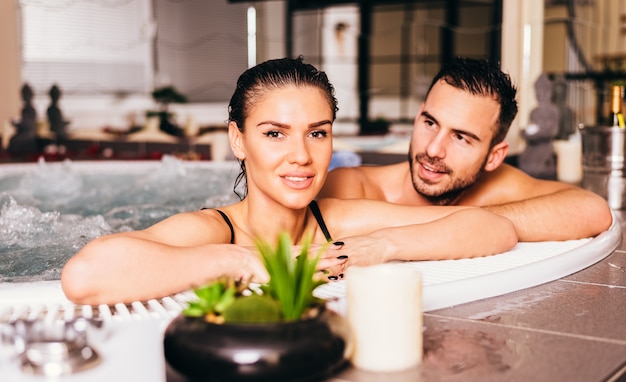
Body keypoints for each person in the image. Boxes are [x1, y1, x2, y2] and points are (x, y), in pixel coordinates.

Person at [61, 57, 517, 305]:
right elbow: (84, 275)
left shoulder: (333, 220)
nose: (301, 156)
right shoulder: (218, 228)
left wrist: (382, 246)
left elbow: (491, 228)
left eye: (317, 133)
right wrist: (244, 261)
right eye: (275, 134)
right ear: (238, 140)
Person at [319, 57, 612, 242]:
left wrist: (473, 227)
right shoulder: (351, 186)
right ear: (419, 114)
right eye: (430, 123)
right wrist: (475, 226)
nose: (434, 149)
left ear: (494, 157)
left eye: (461, 138)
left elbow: (593, 210)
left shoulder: (495, 187)